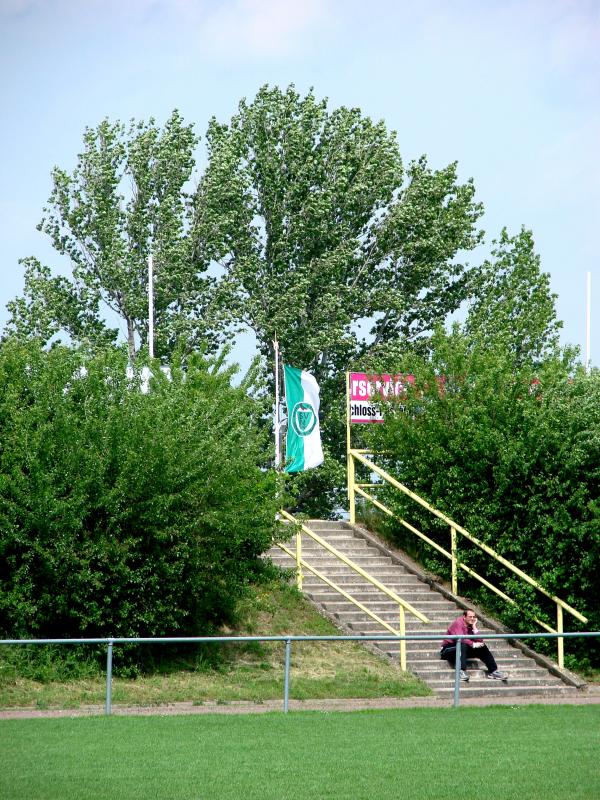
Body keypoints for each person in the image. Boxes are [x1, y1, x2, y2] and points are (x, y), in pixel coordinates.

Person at [440, 610, 507, 682]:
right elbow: (460, 639)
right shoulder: (458, 623)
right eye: (470, 617)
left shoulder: (471, 625)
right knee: (462, 644)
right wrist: (473, 644)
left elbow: (480, 640)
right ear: (464, 617)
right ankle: (460, 671)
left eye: (473, 617)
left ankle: (494, 671)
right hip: (447, 650)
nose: (472, 618)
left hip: (463, 649)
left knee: (482, 647)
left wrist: (474, 627)